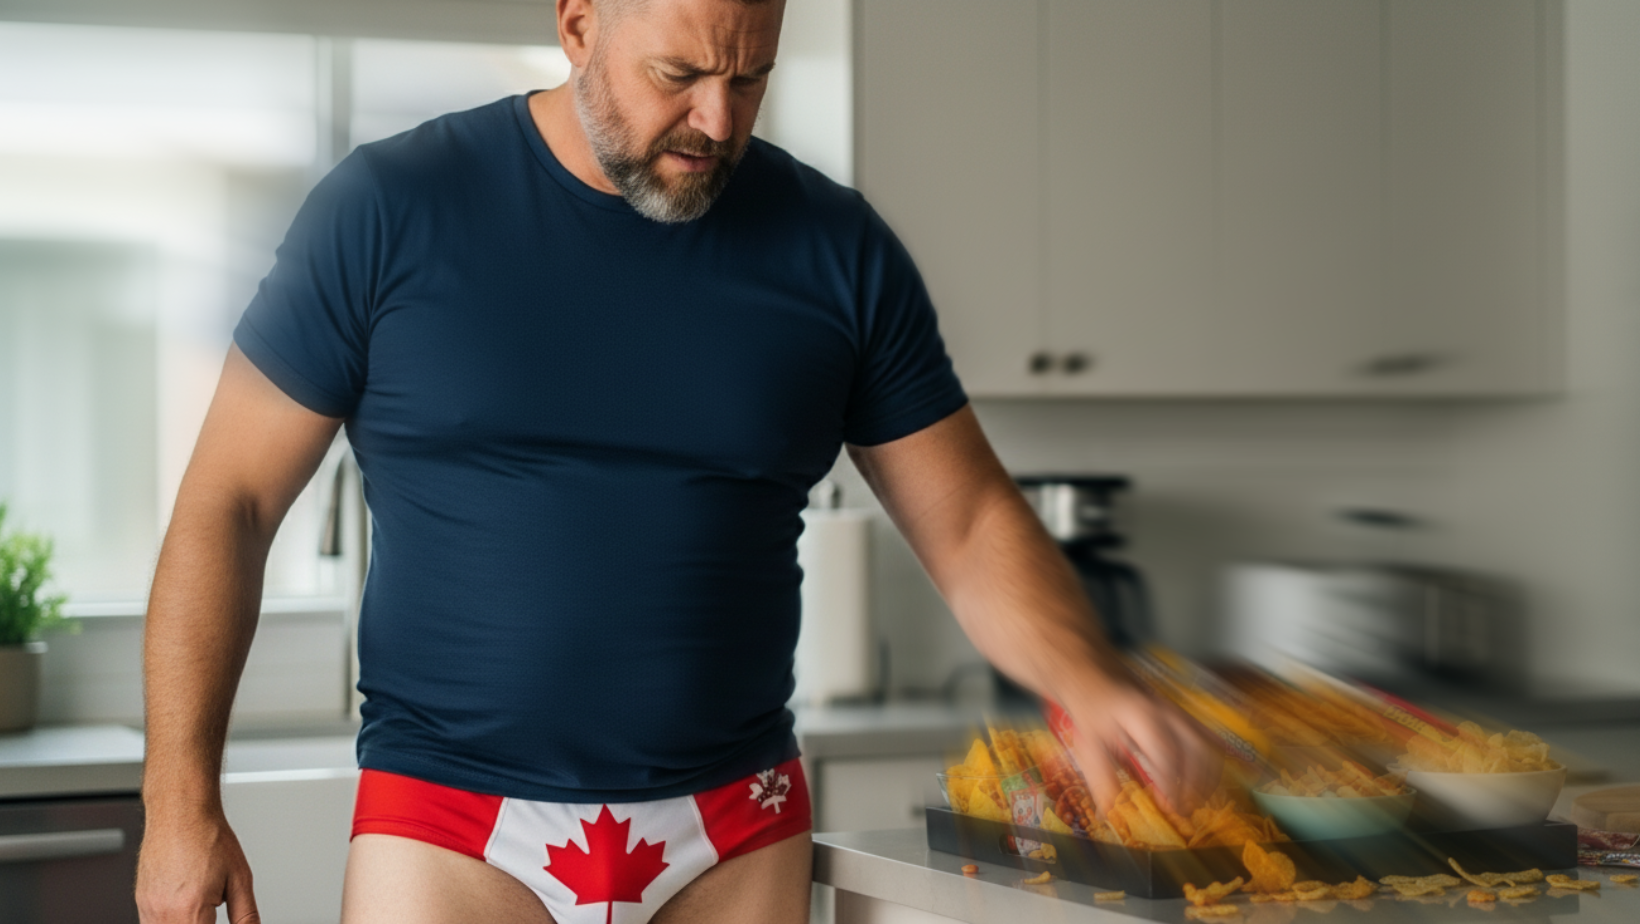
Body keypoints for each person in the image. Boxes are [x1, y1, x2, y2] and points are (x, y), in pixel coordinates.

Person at [135, 0, 1217, 921]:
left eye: (750, 78)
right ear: (576, 22)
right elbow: (226, 504)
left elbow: (970, 521)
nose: (716, 119)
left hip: (733, 834)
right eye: (679, 73)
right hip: (451, 828)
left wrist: (1088, 677)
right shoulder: (387, 210)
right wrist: (180, 803)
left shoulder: (836, 249)